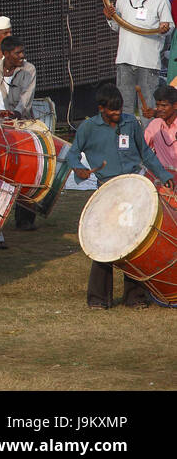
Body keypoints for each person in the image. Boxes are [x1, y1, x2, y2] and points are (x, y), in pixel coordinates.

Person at [69, 83, 175, 308]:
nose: (118, 114)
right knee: (106, 243)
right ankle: (98, 299)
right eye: (112, 111)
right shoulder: (88, 128)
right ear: (101, 109)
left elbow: (145, 153)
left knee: (136, 241)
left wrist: (163, 175)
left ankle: (135, 297)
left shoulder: (131, 123)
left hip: (134, 188)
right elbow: (72, 154)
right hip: (107, 191)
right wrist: (78, 167)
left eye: (120, 109)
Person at [104, 0, 172, 117]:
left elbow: (168, 28)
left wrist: (164, 29)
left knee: (147, 108)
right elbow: (117, 27)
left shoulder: (160, 0)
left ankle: (148, 140)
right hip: (125, 60)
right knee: (123, 107)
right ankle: (125, 140)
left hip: (148, 63)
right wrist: (110, 18)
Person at [144, 84, 177, 177]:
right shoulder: (154, 125)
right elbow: (142, 148)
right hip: (163, 178)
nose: (159, 109)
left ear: (175, 105)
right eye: (157, 105)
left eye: (164, 106)